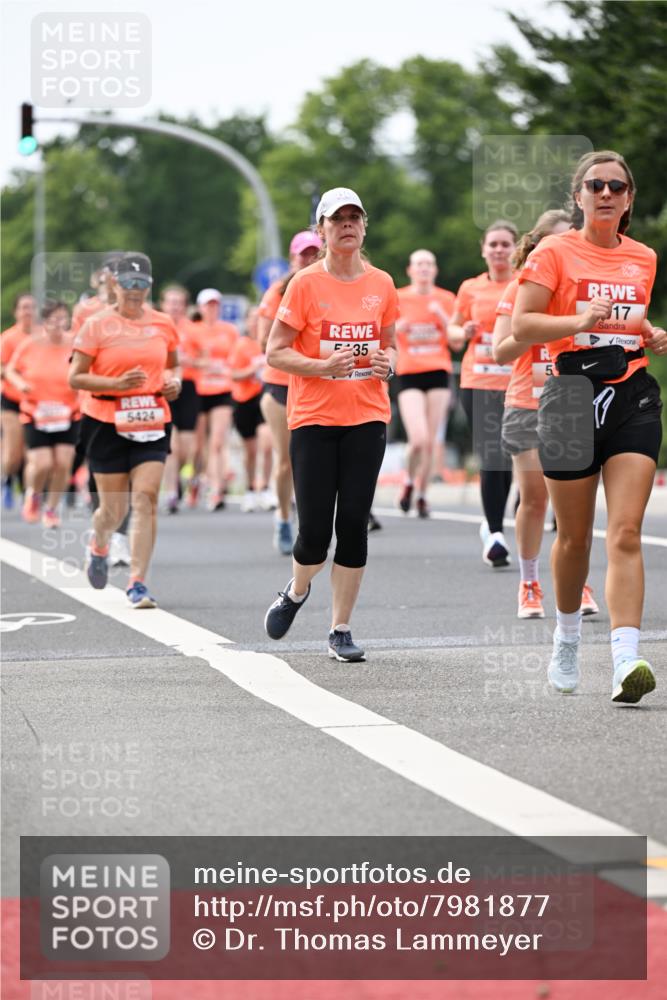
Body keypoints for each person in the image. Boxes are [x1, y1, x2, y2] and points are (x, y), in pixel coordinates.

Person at [513, 150, 665, 704]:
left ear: (628, 201)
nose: (606, 194)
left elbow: (628, 319)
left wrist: (648, 332)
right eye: (595, 185)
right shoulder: (555, 252)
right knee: (574, 537)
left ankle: (627, 658)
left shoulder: (643, 258)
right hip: (570, 400)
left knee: (624, 530)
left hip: (632, 397)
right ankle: (568, 636)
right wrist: (576, 321)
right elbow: (522, 323)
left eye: (617, 187)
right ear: (578, 196)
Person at [263, 187, 398, 662]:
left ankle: (340, 628)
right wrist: (323, 367)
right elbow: (275, 352)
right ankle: (297, 589)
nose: (346, 225)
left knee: (354, 524)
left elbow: (390, 343)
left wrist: (389, 363)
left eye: (354, 217)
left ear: (364, 226)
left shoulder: (381, 283)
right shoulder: (303, 284)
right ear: (320, 229)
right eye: (336, 218)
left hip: (367, 415)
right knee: (315, 533)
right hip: (315, 418)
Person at [492, 209, 599, 619]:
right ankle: (529, 583)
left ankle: (579, 582)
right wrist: (540, 324)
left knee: (575, 504)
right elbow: (501, 351)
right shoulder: (520, 289)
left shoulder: (583, 290)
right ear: (539, 247)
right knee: (535, 499)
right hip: (527, 402)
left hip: (571, 400)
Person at [69, 252, 181, 608]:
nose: (135, 290)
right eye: (128, 283)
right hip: (105, 420)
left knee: (146, 497)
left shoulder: (163, 322)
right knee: (112, 510)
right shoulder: (96, 325)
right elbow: (75, 377)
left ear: (150, 286)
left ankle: (137, 582)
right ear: (113, 284)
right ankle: (99, 544)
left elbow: (171, 367)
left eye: (142, 283)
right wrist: (115, 384)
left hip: (151, 417)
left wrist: (171, 383)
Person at [449, 221, 518, 566]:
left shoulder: (525, 284)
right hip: (478, 381)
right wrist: (463, 330)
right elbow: (451, 330)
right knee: (492, 454)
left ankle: (498, 524)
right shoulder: (470, 288)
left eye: (506, 244)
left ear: (516, 249)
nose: (499, 250)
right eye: (493, 244)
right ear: (483, 249)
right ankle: (494, 533)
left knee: (509, 457)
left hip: (518, 381)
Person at [258, 230, 323, 553]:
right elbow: (263, 342)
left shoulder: (329, 286)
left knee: (314, 461)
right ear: (291, 257)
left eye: (314, 253)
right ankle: (284, 518)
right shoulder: (278, 291)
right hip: (282, 384)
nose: (308, 260)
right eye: (303, 254)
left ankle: (313, 523)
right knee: (287, 460)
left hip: (319, 383)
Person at [395, 249, 461, 517]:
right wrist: (397, 327)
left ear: (435, 270)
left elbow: (457, 342)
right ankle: (409, 482)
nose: (424, 268)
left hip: (438, 371)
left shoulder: (446, 299)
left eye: (429, 264)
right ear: (410, 270)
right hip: (409, 372)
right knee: (418, 439)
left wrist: (442, 318)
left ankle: (422, 495)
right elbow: (382, 333)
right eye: (419, 264)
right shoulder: (398, 297)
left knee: (432, 440)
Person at [5, 300, 79, 528]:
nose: (58, 324)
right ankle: (33, 496)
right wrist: (21, 385)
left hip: (68, 411)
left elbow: (89, 368)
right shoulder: (30, 344)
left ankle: (51, 508)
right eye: (53, 320)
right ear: (44, 322)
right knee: (43, 463)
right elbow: (11, 370)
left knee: (64, 462)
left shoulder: (76, 344)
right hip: (36, 411)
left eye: (62, 319)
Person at [193, 288, 239, 511]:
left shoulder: (229, 331)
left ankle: (216, 489)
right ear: (200, 308)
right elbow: (182, 358)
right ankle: (197, 479)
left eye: (215, 305)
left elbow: (236, 357)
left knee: (217, 442)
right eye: (207, 305)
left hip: (222, 389)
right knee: (198, 445)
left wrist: (226, 365)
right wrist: (202, 364)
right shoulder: (192, 331)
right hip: (198, 390)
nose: (212, 309)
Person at [159, 284, 202, 513]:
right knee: (172, 446)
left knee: (187, 448)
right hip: (163, 387)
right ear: (163, 304)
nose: (174, 307)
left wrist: (189, 360)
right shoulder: (156, 327)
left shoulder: (193, 330)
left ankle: (177, 479)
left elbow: (206, 360)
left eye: (178, 303)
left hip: (188, 387)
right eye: (171, 302)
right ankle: (172, 494)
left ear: (184, 307)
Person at [229, 310, 271, 511]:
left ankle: (266, 488)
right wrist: (253, 370)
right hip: (244, 399)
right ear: (246, 322)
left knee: (267, 443)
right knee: (251, 451)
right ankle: (250, 489)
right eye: (252, 320)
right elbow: (234, 374)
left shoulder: (270, 343)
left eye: (259, 320)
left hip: (265, 397)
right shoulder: (241, 345)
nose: (256, 324)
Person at [1, 293, 38, 507]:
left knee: (32, 450)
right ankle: (7, 479)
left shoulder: (42, 337)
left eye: (32, 307)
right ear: (16, 312)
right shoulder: (8, 338)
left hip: (37, 401)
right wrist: (16, 378)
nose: (28, 312)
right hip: (12, 400)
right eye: (24, 307)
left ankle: (29, 491)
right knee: (13, 452)